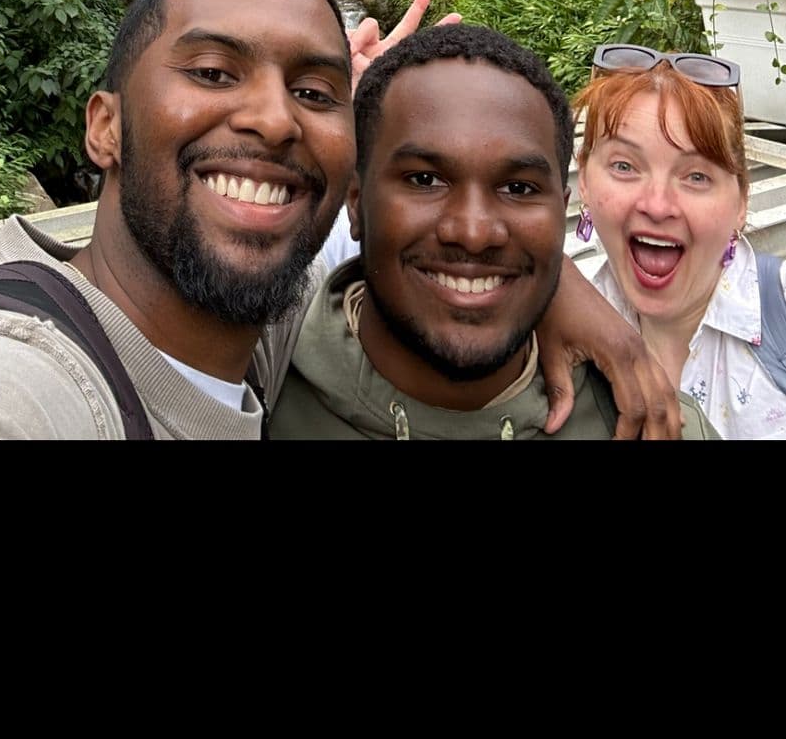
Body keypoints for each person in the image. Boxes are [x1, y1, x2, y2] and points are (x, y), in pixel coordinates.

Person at [0, 0, 686, 440]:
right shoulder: (1, 386)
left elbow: (446, 241)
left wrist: (548, 284)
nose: (275, 121)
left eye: (314, 93)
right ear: (104, 128)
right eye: (213, 72)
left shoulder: (254, 321)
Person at [269, 24, 718, 441]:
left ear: (561, 213)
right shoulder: (256, 383)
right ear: (354, 199)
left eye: (518, 188)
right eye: (425, 180)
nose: (474, 232)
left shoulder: (656, 424)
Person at [574, 46, 786, 439]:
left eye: (696, 177)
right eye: (624, 166)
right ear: (583, 178)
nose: (657, 205)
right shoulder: (560, 318)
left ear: (741, 201)